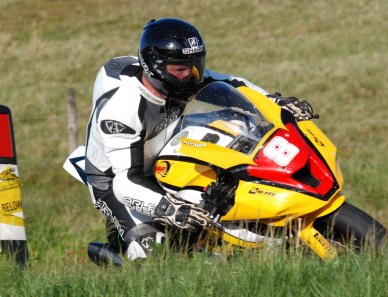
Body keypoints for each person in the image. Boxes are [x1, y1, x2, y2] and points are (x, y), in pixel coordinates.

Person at [84, 18, 316, 263]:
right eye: (180, 70)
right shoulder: (121, 110)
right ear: (154, 67)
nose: (191, 75)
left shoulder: (180, 73)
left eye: (195, 65)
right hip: (116, 178)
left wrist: (276, 103)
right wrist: (171, 209)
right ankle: (120, 260)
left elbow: (232, 83)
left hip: (166, 154)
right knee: (154, 257)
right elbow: (125, 181)